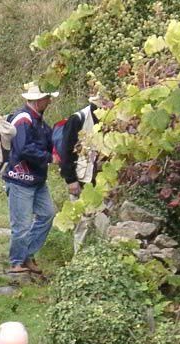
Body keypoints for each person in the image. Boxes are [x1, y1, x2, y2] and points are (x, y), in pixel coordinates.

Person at [3, 82, 59, 277]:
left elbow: (50, 140)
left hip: (36, 179)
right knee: (22, 224)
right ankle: (16, 262)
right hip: (20, 179)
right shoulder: (23, 119)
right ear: (38, 100)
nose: (50, 101)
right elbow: (23, 149)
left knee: (47, 214)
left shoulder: (38, 120)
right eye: (47, 98)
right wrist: (50, 157)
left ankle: (26, 254)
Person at [58, 97, 100, 249]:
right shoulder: (77, 119)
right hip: (81, 180)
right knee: (82, 224)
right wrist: (71, 180)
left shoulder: (112, 118)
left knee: (102, 223)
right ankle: (79, 257)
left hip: (101, 181)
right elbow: (65, 152)